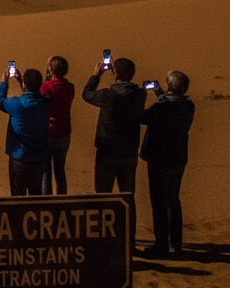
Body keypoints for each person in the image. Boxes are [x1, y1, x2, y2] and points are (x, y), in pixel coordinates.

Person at [82, 56, 147, 240]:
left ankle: (103, 239)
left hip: (107, 154)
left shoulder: (107, 95)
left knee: (102, 198)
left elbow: (87, 94)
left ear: (115, 72)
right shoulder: (140, 95)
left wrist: (97, 74)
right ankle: (130, 238)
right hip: (128, 155)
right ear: (132, 74)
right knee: (128, 198)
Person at [140, 70, 194, 258]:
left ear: (170, 86)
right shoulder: (189, 107)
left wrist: (143, 95)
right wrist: (160, 93)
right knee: (173, 199)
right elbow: (172, 104)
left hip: (158, 160)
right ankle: (175, 244)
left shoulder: (158, 109)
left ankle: (161, 244)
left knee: (159, 203)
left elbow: (142, 116)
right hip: (178, 160)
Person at [0, 66, 51, 195]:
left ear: (25, 85)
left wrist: (4, 82)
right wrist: (22, 83)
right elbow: (35, 97)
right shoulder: (46, 104)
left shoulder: (16, 104)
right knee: (36, 194)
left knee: (17, 197)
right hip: (38, 158)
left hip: (19, 158)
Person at [40, 55, 75, 194]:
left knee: (46, 172)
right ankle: (62, 202)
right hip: (64, 133)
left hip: (49, 132)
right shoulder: (70, 87)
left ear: (51, 70)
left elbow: (42, 101)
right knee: (60, 170)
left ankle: (47, 203)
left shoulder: (45, 87)